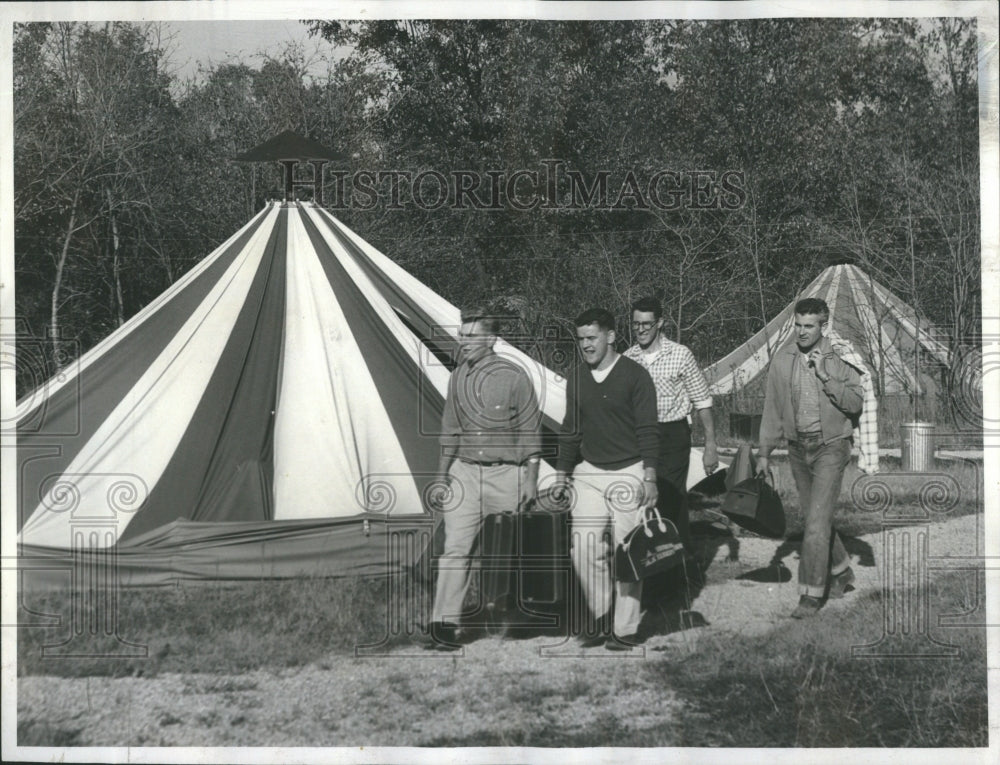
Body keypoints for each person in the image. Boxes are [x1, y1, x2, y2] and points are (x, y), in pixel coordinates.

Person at [425, 307, 543, 650]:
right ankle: (444, 627)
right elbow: (450, 431)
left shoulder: (515, 376)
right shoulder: (457, 375)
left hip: (507, 473)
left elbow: (530, 432)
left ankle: (532, 608)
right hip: (464, 472)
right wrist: (441, 477)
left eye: (472, 337)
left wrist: (531, 479)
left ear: (491, 340)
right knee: (455, 550)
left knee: (528, 543)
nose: (464, 342)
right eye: (462, 336)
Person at [554, 308, 659, 650]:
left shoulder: (635, 376)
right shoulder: (577, 376)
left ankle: (625, 628)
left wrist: (650, 477)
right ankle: (600, 616)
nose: (585, 345)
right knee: (583, 547)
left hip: (630, 469)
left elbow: (647, 430)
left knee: (627, 551)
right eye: (581, 339)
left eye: (592, 338)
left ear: (611, 336)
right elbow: (570, 430)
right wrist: (561, 474)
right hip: (590, 470)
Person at [758, 298, 864, 618]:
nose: (802, 332)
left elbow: (855, 403)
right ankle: (842, 571)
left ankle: (810, 595)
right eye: (798, 325)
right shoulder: (782, 359)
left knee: (815, 524)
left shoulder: (840, 356)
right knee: (816, 520)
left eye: (809, 326)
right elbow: (773, 409)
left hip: (831, 446)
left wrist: (824, 376)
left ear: (824, 326)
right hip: (797, 449)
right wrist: (763, 453)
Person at [623, 297, 718, 544]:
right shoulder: (627, 358)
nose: (641, 330)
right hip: (638, 437)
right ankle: (648, 558)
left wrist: (710, 446)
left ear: (660, 323)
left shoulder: (680, 354)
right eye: (636, 324)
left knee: (670, 498)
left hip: (672, 436)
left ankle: (675, 564)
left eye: (646, 324)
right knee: (641, 495)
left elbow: (703, 402)